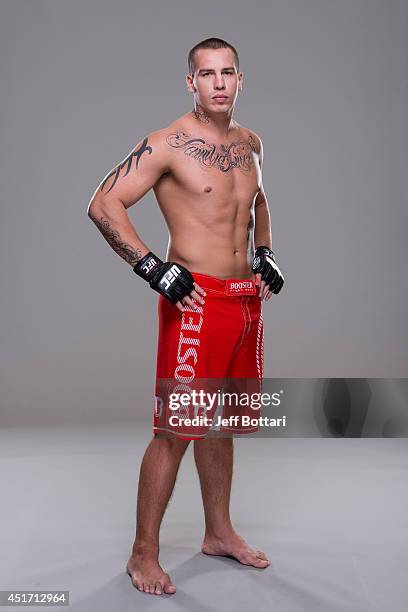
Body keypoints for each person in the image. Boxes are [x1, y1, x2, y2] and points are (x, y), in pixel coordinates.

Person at [87, 37, 284, 596]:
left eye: (228, 73)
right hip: (195, 305)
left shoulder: (251, 143)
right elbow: (103, 204)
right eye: (207, 74)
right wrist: (154, 269)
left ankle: (218, 532)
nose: (218, 83)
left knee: (223, 425)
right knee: (175, 430)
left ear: (240, 80)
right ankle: (142, 554)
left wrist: (265, 251)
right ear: (191, 83)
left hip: (246, 302)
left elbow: (258, 202)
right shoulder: (168, 143)